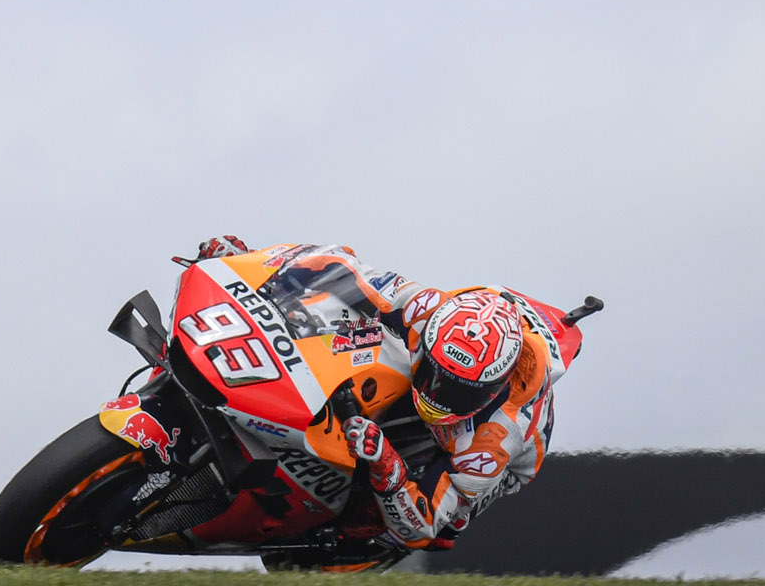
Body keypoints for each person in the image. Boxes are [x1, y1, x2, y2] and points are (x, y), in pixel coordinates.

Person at [192, 235, 568, 551]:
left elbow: (421, 526)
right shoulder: (423, 311)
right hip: (441, 354)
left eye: (458, 391)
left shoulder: (495, 440)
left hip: (498, 459)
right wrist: (250, 265)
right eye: (435, 373)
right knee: (348, 320)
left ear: (493, 387)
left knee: (385, 527)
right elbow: (333, 264)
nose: (438, 395)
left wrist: (387, 465)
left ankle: (368, 538)